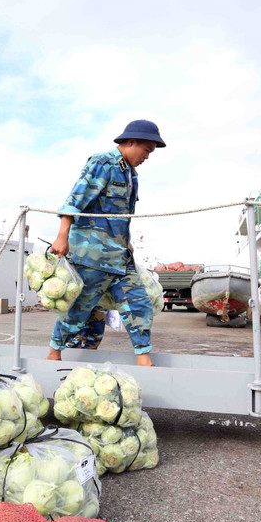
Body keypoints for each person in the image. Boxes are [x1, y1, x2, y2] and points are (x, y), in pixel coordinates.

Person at [47, 119, 166, 366]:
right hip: (93, 256)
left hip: (121, 256)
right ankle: (53, 353)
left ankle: (145, 360)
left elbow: (120, 216)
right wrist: (62, 237)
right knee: (79, 310)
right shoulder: (102, 164)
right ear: (131, 142)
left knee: (139, 305)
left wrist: (127, 241)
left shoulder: (131, 175)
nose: (147, 157)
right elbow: (75, 200)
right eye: (146, 150)